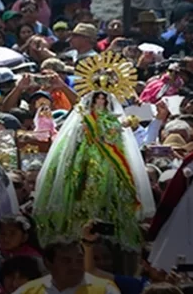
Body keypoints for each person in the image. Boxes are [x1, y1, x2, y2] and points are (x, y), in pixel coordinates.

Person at [32, 53, 156, 251]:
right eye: (97, 98)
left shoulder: (113, 119)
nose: (100, 101)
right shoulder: (82, 118)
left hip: (110, 162)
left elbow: (123, 131)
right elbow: (75, 138)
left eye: (103, 99)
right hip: (82, 160)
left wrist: (124, 123)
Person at [0, 238, 127, 294]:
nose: (74, 266)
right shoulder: (29, 292)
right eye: (66, 261)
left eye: (79, 260)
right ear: (48, 263)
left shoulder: (105, 292)